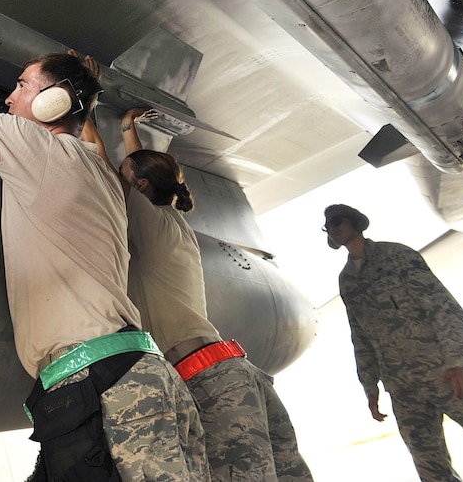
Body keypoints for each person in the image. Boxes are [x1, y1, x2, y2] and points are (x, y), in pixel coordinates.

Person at [0, 0, 209, 480]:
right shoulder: (96, 168)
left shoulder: (39, 152)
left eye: (22, 86)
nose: (9, 100)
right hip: (117, 381)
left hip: (98, 386)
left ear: (54, 104)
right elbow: (87, 138)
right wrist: (87, 100)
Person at [105, 107, 313, 481]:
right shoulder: (172, 220)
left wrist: (81, 109)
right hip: (231, 373)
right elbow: (139, 174)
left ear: (139, 187)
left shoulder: (149, 223)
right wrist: (127, 128)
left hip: (207, 383)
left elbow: (111, 171)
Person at [324, 203, 463, 482]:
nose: (332, 229)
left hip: (442, 373)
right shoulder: (347, 280)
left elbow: (441, 306)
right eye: (328, 226)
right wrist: (370, 386)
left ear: (355, 222)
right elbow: (360, 336)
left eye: (336, 222)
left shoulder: (396, 255)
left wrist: (459, 362)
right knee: (430, 465)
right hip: (402, 388)